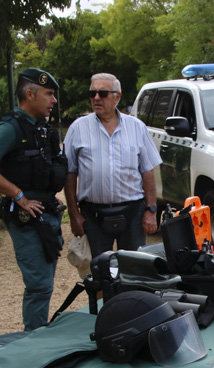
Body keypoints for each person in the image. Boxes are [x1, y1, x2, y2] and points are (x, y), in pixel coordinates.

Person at [0, 67, 66, 331]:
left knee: (44, 284)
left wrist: (49, 197)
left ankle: (36, 337)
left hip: (46, 215)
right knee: (39, 286)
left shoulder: (42, 128)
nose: (54, 100)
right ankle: (33, 343)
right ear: (29, 94)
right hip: (27, 219)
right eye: (48, 94)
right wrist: (18, 195)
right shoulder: (12, 127)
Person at [64, 73, 162, 257]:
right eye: (92, 93)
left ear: (117, 96)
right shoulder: (78, 128)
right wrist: (74, 214)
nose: (96, 98)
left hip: (133, 212)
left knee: (134, 269)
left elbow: (148, 171)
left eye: (102, 93)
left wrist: (151, 210)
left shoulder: (137, 127)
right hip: (92, 215)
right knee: (99, 273)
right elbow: (69, 174)